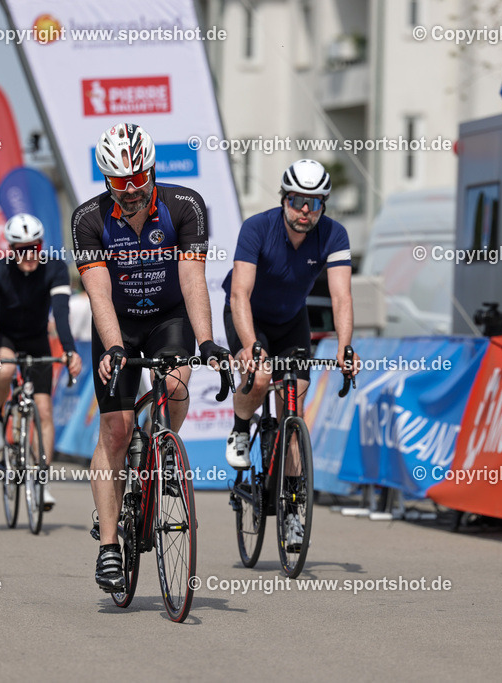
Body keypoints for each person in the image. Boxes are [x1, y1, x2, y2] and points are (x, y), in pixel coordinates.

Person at [72, 122, 230, 592]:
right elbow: (99, 294)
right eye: (120, 182)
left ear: (153, 171)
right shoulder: (89, 219)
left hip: (168, 317)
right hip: (117, 324)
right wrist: (114, 347)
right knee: (116, 431)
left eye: (138, 179)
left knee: (176, 385)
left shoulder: (185, 206)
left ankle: (161, 444)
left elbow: (193, 280)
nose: (131, 191)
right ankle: (108, 546)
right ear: (107, 180)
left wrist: (207, 342)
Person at [222, 159, 359, 545]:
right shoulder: (257, 228)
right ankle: (240, 429)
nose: (305, 211)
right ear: (284, 199)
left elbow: (342, 297)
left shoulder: (334, 235)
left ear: (323, 206)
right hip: (248, 315)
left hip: (290, 320)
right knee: (260, 376)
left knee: (293, 410)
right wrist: (250, 346)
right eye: (298, 201)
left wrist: (345, 347)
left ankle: (292, 511)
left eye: (314, 204)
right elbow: (239, 294)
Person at [0, 213, 82, 511]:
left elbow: (61, 313)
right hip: (6, 337)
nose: (29, 256)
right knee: (5, 370)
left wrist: (70, 350)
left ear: (41, 245)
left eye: (34, 248)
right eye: (22, 250)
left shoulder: (55, 268)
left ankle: (42, 480)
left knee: (44, 410)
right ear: (11, 249)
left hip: (37, 338)